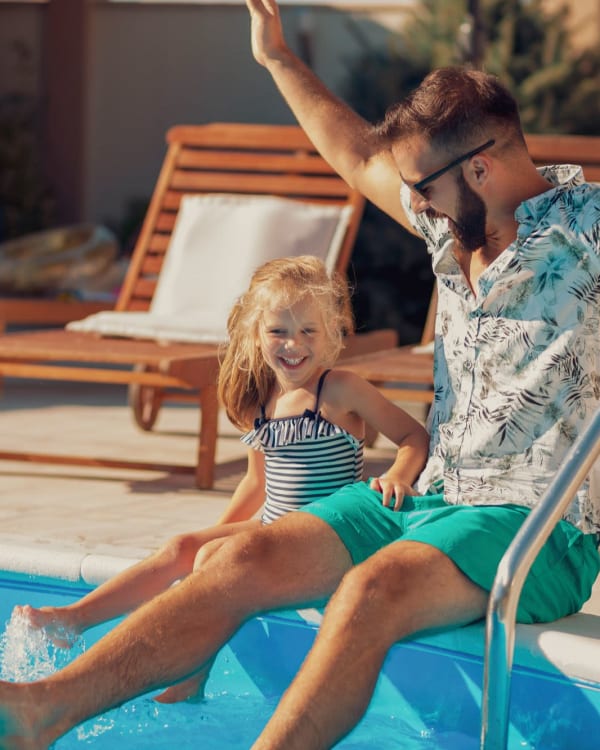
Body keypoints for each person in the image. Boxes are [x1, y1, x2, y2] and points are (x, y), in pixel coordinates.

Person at [0, 1, 598, 747]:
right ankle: (39, 710)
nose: (411, 204)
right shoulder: (454, 221)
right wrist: (276, 58)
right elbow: (354, 155)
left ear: (480, 166)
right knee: (240, 553)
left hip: (536, 529)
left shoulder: (587, 233)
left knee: (368, 592)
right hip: (426, 495)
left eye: (423, 188)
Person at [13, 254, 429, 703]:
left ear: (331, 333)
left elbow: (413, 435)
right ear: (256, 332)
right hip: (272, 527)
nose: (294, 345)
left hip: (322, 535)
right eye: (278, 331)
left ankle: (192, 673)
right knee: (184, 548)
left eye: (308, 331)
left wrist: (399, 477)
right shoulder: (262, 402)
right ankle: (73, 620)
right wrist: (212, 535)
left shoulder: (340, 389)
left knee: (213, 558)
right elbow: (256, 485)